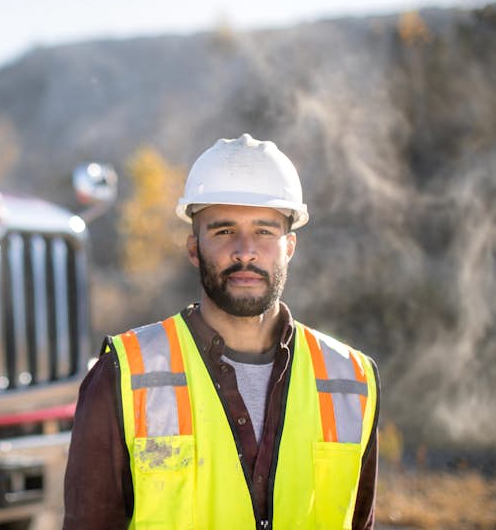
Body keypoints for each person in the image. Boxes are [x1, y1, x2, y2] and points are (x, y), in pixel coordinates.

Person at [63, 134, 379, 529]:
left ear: (290, 246)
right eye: (224, 231)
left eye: (264, 231)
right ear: (194, 248)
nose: (245, 250)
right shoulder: (123, 375)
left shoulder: (351, 379)